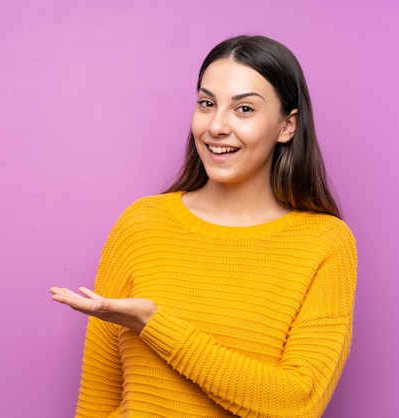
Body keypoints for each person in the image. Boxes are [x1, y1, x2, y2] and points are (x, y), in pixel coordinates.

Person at [50, 35, 357, 418]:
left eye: (244, 109)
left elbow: (297, 404)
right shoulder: (142, 224)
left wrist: (154, 323)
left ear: (287, 126)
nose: (216, 126)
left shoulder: (324, 243)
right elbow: (97, 401)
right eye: (207, 103)